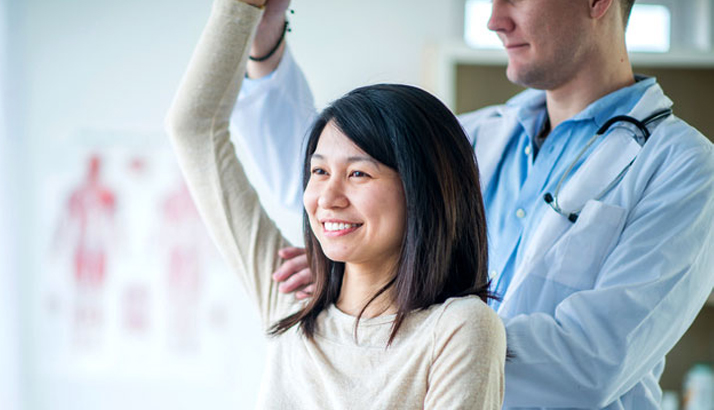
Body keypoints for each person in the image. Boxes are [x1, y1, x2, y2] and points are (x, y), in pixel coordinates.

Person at [230, 0, 714, 408]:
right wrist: (264, 42)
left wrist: (385, 320)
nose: (493, 19)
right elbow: (327, 189)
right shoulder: (473, 136)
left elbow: (593, 360)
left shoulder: (684, 167)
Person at [165, 0, 506, 408]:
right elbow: (194, 130)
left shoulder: (458, 328)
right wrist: (244, 9)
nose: (327, 198)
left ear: (422, 191)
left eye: (359, 174)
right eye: (319, 172)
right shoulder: (293, 300)